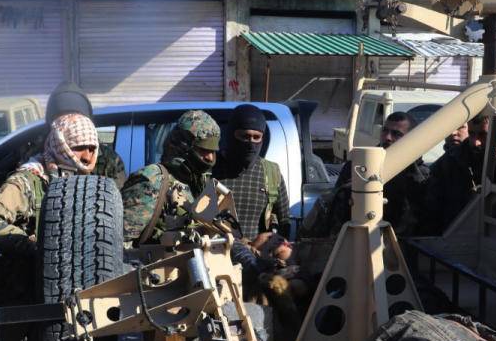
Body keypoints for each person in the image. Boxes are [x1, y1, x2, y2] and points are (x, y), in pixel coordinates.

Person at [0, 112, 99, 307]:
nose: (87, 157)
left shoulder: (87, 182)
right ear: (61, 144)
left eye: (92, 149)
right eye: (80, 148)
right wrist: (34, 245)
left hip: (71, 291)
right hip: (24, 292)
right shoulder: (29, 180)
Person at [301, 112, 426, 238]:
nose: (387, 137)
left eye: (396, 134)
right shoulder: (357, 165)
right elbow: (334, 205)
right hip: (351, 239)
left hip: (397, 244)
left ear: (411, 139)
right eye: (385, 131)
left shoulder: (419, 175)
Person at [120, 109, 222, 245]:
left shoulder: (202, 185)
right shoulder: (153, 179)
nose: (209, 158)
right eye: (203, 150)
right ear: (183, 147)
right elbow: (120, 242)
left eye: (213, 151)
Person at [418, 115, 496, 236]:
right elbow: (431, 201)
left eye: (483, 134)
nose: (475, 142)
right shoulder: (453, 157)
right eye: (471, 134)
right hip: (457, 234)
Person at [213, 104, 290, 239]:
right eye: (244, 136)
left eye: (256, 137)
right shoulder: (210, 168)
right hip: (213, 255)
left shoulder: (271, 173)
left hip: (255, 257)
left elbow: (284, 224)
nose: (250, 143)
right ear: (231, 134)